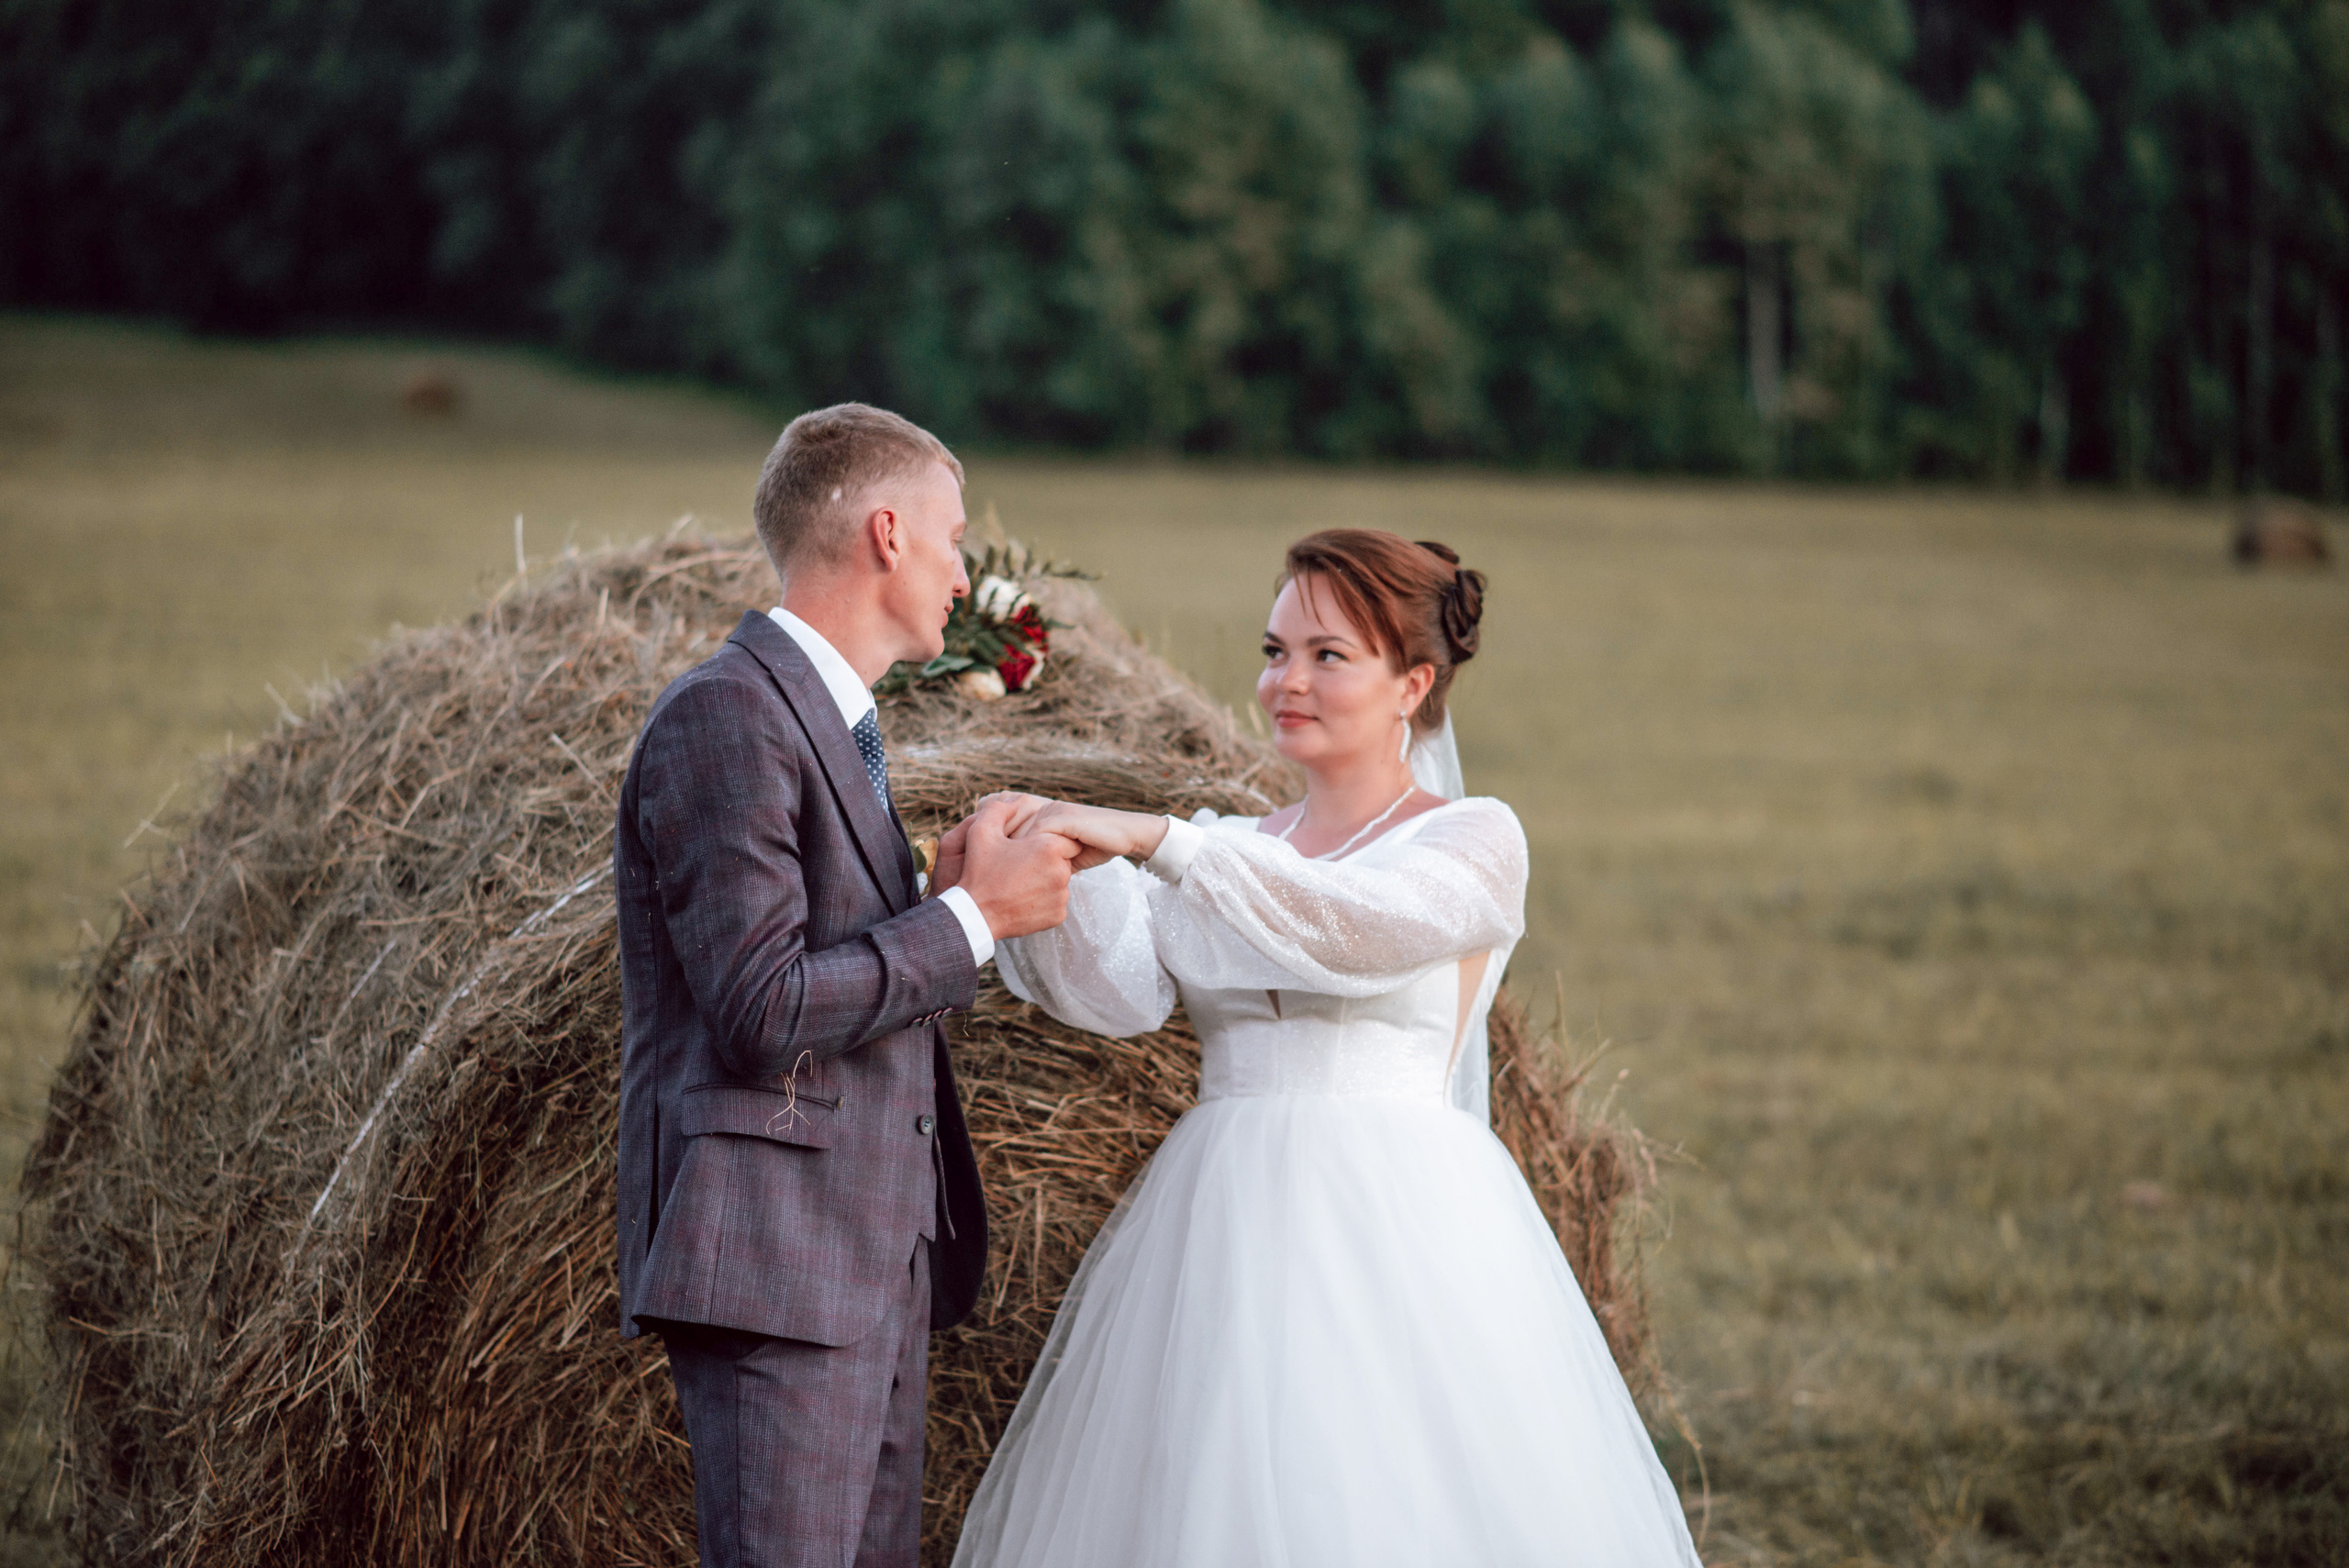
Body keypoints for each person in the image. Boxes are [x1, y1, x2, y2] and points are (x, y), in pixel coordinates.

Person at [941, 529, 1703, 1567]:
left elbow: (1353, 929)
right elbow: (1113, 994)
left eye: (1326, 655)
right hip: (1217, 1223)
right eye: (1273, 650)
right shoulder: (1236, 845)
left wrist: (1157, 839)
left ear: (1413, 682)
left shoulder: (1473, 839)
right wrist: (1039, 861)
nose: (1283, 681)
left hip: (1399, 1225)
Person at [612, 404, 1080, 1568]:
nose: (967, 572)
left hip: (867, 1262)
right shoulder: (728, 714)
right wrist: (976, 919)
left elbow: (809, 935)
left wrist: (936, 885)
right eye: (955, 537)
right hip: (779, 1264)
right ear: (886, 532)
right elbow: (762, 1004)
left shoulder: (825, 716)